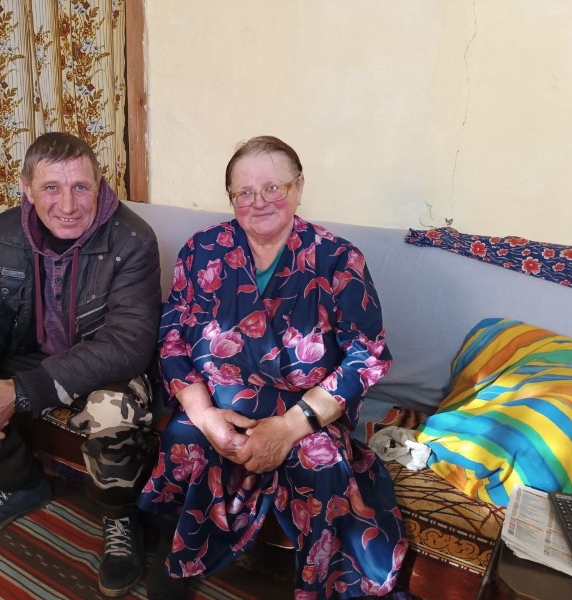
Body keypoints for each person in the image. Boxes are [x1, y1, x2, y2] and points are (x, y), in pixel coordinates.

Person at [138, 136, 407, 598]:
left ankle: (324, 583)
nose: (258, 201)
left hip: (305, 411)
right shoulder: (202, 250)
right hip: (218, 403)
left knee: (321, 465)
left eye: (273, 188)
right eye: (244, 192)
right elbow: (173, 339)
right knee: (184, 436)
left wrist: (287, 429)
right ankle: (180, 550)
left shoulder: (339, 259)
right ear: (230, 198)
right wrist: (205, 416)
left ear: (298, 187)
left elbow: (365, 357)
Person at [0, 132, 161, 597]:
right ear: (27, 188)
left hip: (104, 365)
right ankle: (23, 485)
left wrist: (20, 391)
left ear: (99, 185)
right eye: (51, 187)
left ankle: (120, 518)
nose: (68, 204)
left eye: (80, 187)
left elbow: (128, 343)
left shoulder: (132, 239)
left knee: (115, 410)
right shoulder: (7, 232)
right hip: (31, 357)